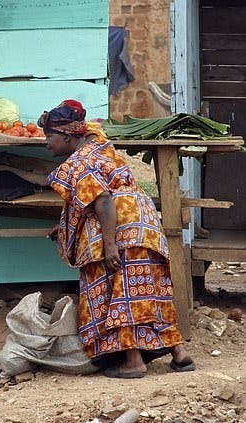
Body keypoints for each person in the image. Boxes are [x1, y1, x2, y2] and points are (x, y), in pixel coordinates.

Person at [40, 100, 194, 378]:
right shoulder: (99, 143)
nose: (46, 143)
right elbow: (88, 199)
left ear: (66, 135)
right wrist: (62, 225)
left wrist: (110, 244)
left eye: (49, 137)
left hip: (117, 227)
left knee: (118, 292)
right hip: (144, 222)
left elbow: (103, 201)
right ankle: (180, 354)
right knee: (148, 289)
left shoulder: (78, 163)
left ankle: (133, 362)